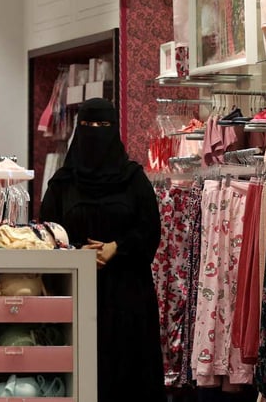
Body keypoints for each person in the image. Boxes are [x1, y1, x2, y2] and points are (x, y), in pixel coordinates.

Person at [40, 97, 164, 401]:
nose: (95, 131)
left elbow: (150, 231)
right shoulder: (62, 184)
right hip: (78, 293)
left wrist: (116, 248)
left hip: (127, 295)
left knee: (128, 373)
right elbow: (47, 234)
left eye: (103, 124)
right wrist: (77, 253)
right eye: (88, 125)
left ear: (114, 129)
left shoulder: (133, 180)